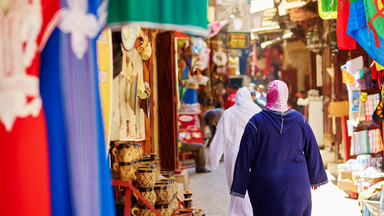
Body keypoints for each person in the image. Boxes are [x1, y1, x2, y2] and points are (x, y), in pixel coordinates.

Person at [230, 80, 328, 216]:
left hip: (266, 186)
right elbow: (313, 150)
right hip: (297, 185)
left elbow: (244, 156)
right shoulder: (300, 120)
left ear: (269, 95)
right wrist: (316, 177)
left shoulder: (256, 122)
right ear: (286, 95)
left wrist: (239, 186)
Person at [208, 87, 262, 216]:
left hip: (234, 154)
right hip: (254, 155)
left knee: (236, 186)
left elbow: (219, 137)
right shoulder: (258, 112)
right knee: (254, 185)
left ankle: (238, 213)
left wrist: (213, 160)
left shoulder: (228, 113)